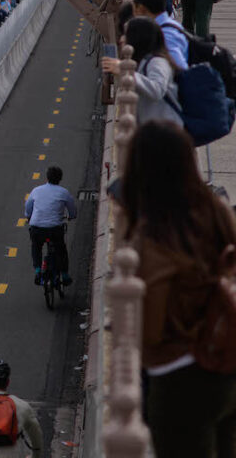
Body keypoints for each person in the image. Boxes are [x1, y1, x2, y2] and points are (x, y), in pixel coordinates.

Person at [117, 119, 236, 456]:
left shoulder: (151, 237)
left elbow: (151, 330)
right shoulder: (215, 210)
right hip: (225, 362)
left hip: (178, 378)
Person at [102, 16, 182, 126]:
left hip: (165, 134)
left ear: (138, 38)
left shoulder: (157, 62)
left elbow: (157, 90)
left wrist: (125, 71)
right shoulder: (145, 61)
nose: (121, 39)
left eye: (126, 35)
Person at [25, 166, 77, 286]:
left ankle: (38, 270)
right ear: (60, 179)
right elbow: (72, 210)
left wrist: (29, 217)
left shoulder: (36, 190)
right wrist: (71, 216)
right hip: (55, 229)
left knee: (36, 247)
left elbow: (28, 208)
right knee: (61, 250)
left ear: (47, 177)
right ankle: (64, 275)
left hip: (37, 228)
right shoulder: (64, 192)